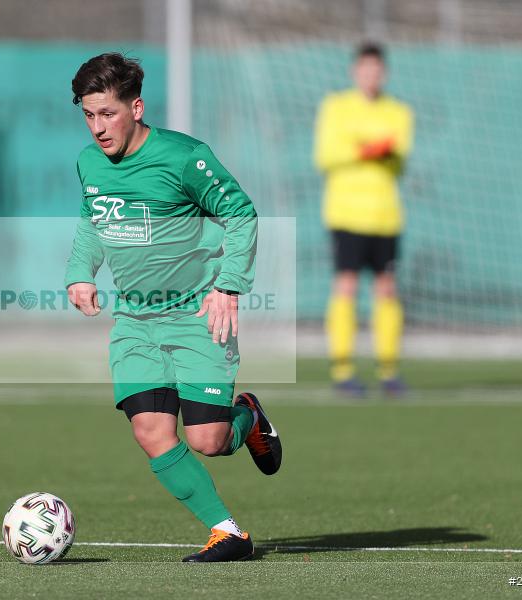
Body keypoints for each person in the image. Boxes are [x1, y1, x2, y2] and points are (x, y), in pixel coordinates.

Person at [64, 53, 282, 562]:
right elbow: (93, 220)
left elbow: (241, 213)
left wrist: (228, 286)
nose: (98, 128)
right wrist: (80, 271)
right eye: (89, 115)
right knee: (151, 431)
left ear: (136, 107)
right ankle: (228, 533)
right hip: (136, 323)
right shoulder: (89, 162)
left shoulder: (185, 157)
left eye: (108, 114)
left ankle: (247, 416)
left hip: (197, 317)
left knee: (208, 439)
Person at [314, 41, 414, 397]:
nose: (371, 76)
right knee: (347, 286)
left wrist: (379, 151)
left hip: (385, 216)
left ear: (383, 73)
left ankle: (389, 371)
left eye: (377, 70)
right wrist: (367, 149)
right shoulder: (336, 107)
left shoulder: (398, 111)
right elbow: (327, 155)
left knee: (386, 288)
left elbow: (399, 158)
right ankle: (343, 370)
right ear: (355, 72)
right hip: (347, 213)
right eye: (365, 69)